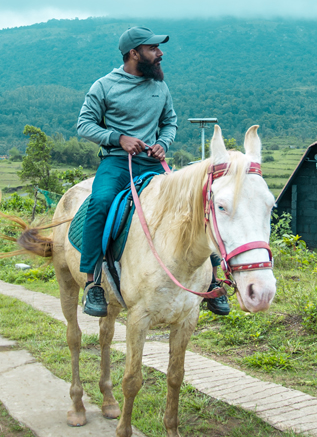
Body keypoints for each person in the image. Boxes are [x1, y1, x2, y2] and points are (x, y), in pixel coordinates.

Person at [75, 25, 229, 317]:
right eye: (153, 49)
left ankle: (213, 279)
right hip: (118, 163)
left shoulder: (160, 86)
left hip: (154, 164)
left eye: (158, 48)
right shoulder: (104, 86)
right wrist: (118, 138)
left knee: (196, 203)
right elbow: (85, 124)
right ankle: (92, 283)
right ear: (135, 53)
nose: (160, 54)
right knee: (100, 203)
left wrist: (162, 143)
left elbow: (170, 122)